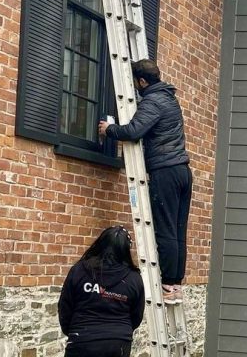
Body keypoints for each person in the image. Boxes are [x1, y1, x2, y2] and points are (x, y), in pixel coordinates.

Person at [98, 58, 192, 302]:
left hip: (166, 172)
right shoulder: (169, 98)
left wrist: (109, 129)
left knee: (166, 230)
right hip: (182, 170)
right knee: (178, 230)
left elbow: (133, 131)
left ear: (141, 81)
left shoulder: (154, 101)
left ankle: (168, 287)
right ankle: (175, 284)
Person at [58, 226, 145, 357]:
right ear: (125, 250)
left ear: (100, 243)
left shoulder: (79, 270)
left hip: (81, 340)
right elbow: (136, 316)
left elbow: (65, 307)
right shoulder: (134, 279)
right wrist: (119, 333)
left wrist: (74, 332)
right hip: (118, 343)